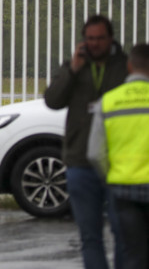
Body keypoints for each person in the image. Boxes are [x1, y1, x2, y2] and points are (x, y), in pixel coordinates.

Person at [44, 15, 128, 269]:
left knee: (122, 233)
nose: (94, 44)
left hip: (117, 163)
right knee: (90, 237)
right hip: (80, 161)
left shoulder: (125, 67)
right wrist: (72, 69)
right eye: (90, 39)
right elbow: (53, 100)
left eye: (100, 38)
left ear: (110, 39)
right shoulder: (74, 66)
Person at [88, 43, 149, 269]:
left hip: (123, 188)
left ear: (130, 66)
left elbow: (95, 153)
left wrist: (110, 176)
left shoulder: (110, 101)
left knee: (132, 253)